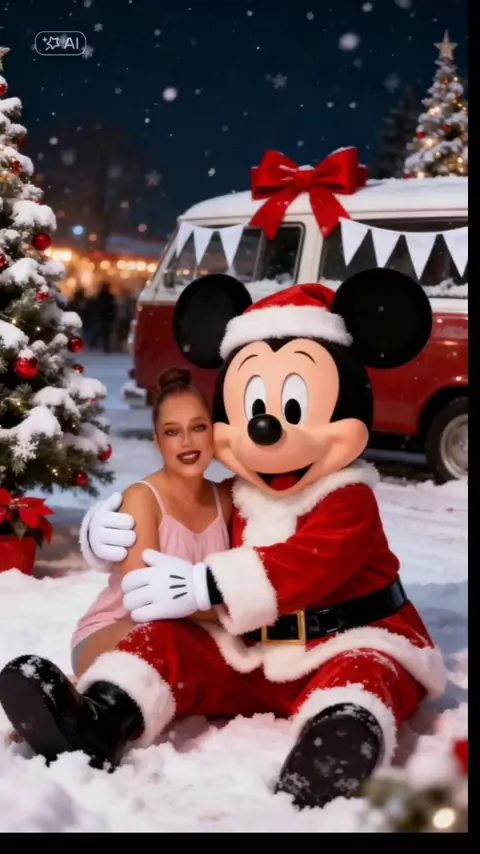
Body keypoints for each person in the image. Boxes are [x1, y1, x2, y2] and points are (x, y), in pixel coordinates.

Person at [0, 270, 446, 812]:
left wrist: (207, 584)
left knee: (367, 672)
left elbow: (309, 563)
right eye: (252, 411)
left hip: (343, 640)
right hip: (256, 652)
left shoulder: (346, 497)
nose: (265, 431)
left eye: (293, 409)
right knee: (165, 640)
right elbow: (177, 500)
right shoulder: (239, 492)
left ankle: (336, 745)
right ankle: (99, 719)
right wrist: (104, 529)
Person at [0, 365, 231, 765]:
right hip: (118, 631)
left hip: (189, 636)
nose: (187, 442)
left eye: (198, 427)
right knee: (167, 637)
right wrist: (226, 610)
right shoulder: (143, 498)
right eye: (172, 431)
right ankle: (80, 703)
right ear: (157, 440)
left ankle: (86, 695)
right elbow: (147, 604)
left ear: (214, 431)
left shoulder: (225, 499)